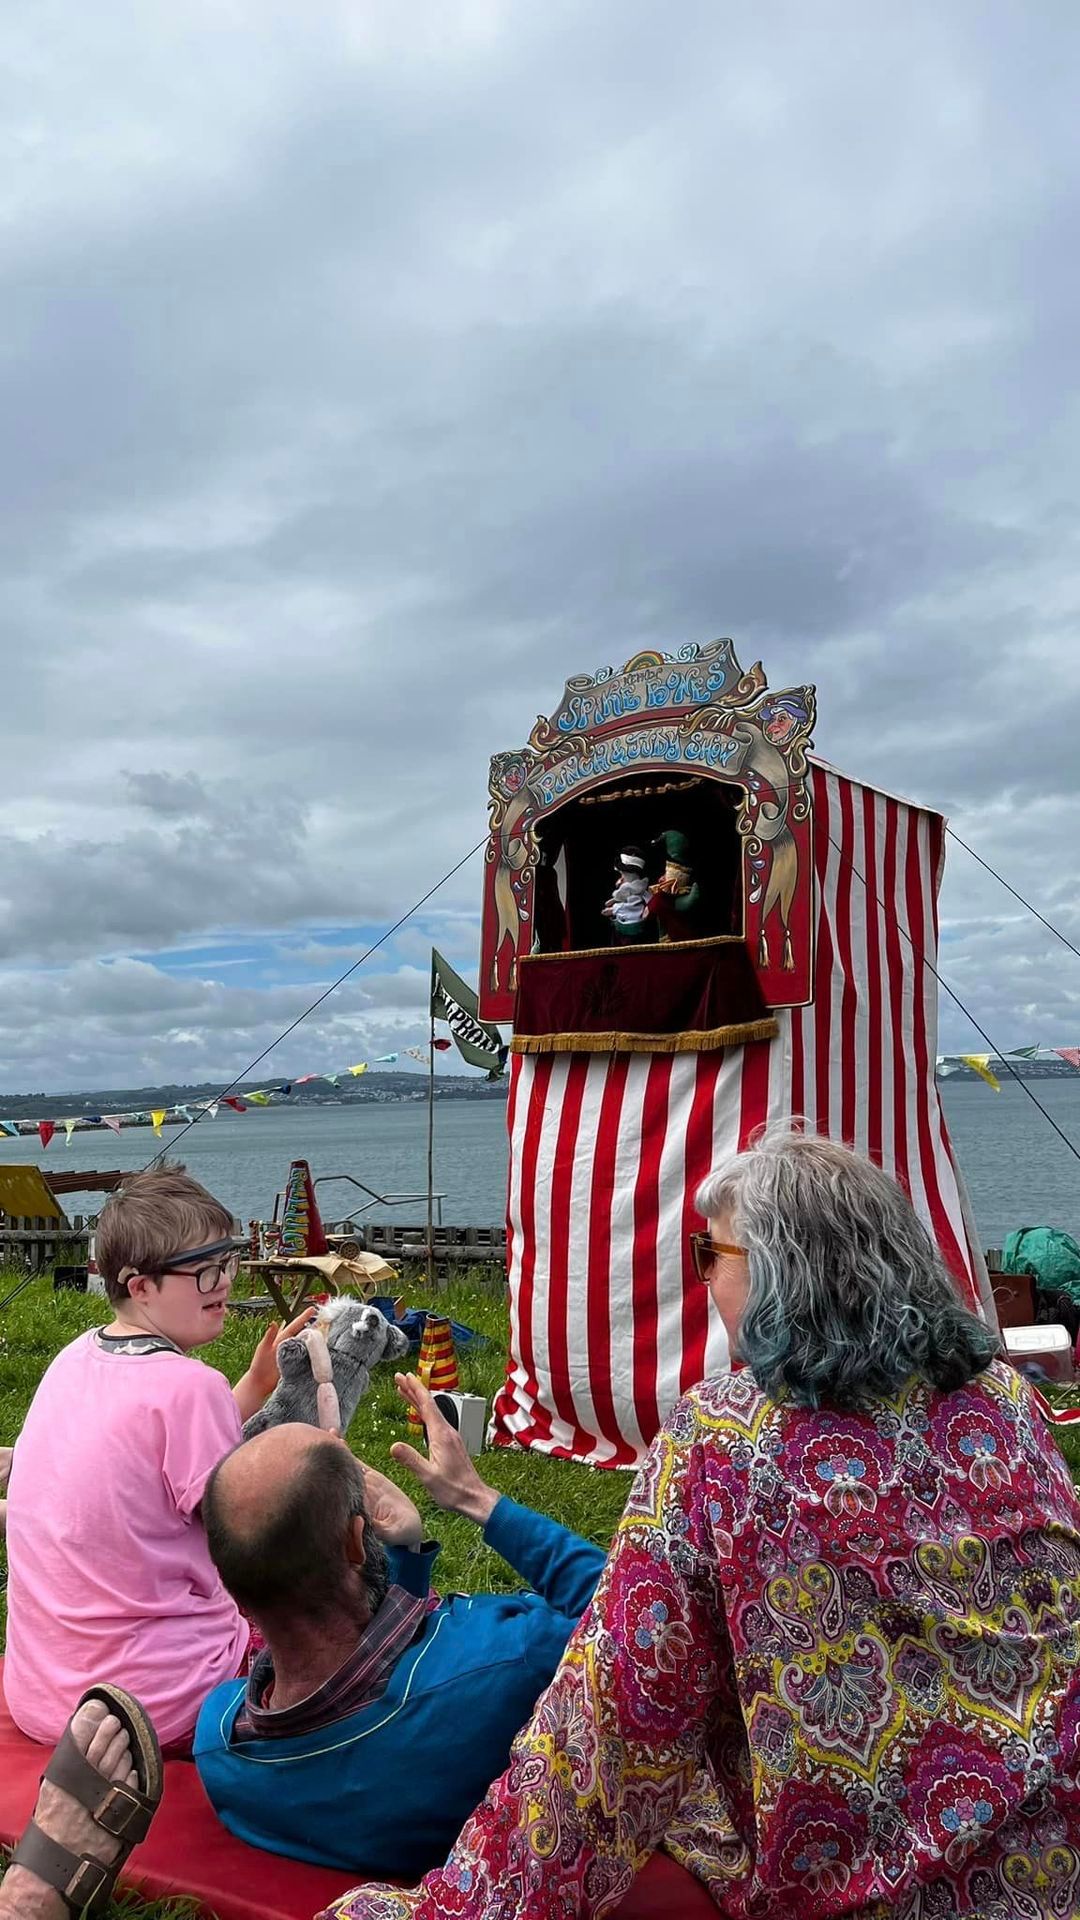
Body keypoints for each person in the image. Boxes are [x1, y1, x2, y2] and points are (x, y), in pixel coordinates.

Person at [319, 1133, 1080, 1919]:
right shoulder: (1006, 1403)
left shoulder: (726, 1438)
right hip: (1055, 1851)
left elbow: (612, 1731)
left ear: (783, 1272)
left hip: (885, 1889)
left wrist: (456, 1908)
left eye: (708, 1253)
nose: (703, 1275)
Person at [194, 1372, 607, 1880]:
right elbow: (626, 1611)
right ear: (353, 1543)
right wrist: (477, 1499)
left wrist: (406, 1558)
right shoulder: (509, 1665)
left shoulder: (218, 1743)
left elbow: (361, 1683)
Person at [3, 1163, 313, 1752]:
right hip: (149, 1710)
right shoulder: (187, 1390)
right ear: (140, 1285)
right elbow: (248, 1546)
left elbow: (155, 1459)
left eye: (228, 1260)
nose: (223, 1282)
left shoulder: (73, 1358)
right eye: (204, 1271)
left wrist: (250, 1387)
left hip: (42, 1693)